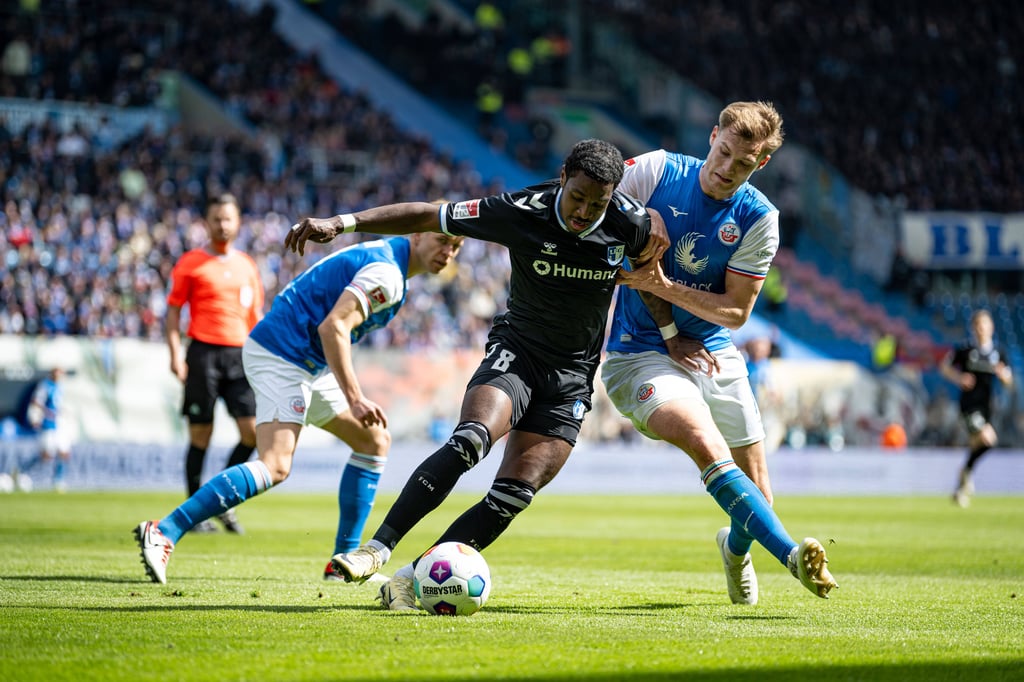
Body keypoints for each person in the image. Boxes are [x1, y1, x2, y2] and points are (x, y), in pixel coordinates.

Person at [287, 138, 669, 611]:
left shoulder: (630, 224)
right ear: (564, 175)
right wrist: (343, 223)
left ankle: (410, 578)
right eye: (578, 197)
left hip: (572, 376)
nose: (585, 212)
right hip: (519, 353)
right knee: (471, 440)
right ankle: (376, 550)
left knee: (512, 495)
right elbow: (429, 215)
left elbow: (652, 278)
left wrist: (672, 332)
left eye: (599, 203)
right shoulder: (520, 209)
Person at [601, 101, 838, 604]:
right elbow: (596, 201)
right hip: (637, 352)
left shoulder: (759, 218)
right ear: (712, 135)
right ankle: (792, 556)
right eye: (723, 152)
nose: (726, 169)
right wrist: (640, 221)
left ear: (761, 165)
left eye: (743, 164)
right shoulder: (657, 169)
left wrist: (664, 285)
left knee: (759, 497)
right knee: (702, 437)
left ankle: (734, 551)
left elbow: (734, 313)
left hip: (710, 347)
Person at [134, 227, 464, 584]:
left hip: (306, 361)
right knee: (275, 465)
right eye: (443, 241)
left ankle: (342, 564)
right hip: (283, 355)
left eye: (457, 246)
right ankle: (165, 529)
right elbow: (333, 327)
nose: (449, 252)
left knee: (373, 441)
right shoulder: (386, 273)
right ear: (416, 235)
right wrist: (354, 397)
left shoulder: (387, 260)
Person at [165, 193, 264, 533]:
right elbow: (174, 311)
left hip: (240, 356)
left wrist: (264, 358)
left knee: (252, 434)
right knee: (200, 436)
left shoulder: (247, 265)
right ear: (206, 223)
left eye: (228, 218)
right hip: (203, 353)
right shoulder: (190, 262)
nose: (222, 224)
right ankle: (193, 514)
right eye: (216, 218)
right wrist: (176, 354)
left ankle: (222, 501)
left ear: (238, 223)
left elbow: (256, 316)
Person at [940, 309, 1013, 507]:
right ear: (973, 328)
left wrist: (1003, 376)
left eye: (985, 325)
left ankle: (960, 489)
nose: (982, 329)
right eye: (978, 326)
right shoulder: (965, 350)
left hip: (987, 407)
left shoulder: (998, 353)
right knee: (988, 440)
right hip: (969, 405)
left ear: (991, 328)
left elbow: (1009, 381)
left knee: (975, 447)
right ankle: (966, 473)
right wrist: (959, 378)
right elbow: (944, 367)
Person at [20, 367, 72, 492]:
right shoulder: (45, 386)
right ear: (53, 373)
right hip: (48, 425)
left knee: (64, 453)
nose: (59, 375)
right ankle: (24, 473)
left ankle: (58, 480)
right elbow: (36, 401)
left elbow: (57, 404)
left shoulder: (60, 387)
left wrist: (61, 412)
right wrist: (43, 414)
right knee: (46, 456)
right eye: (57, 372)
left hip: (59, 425)